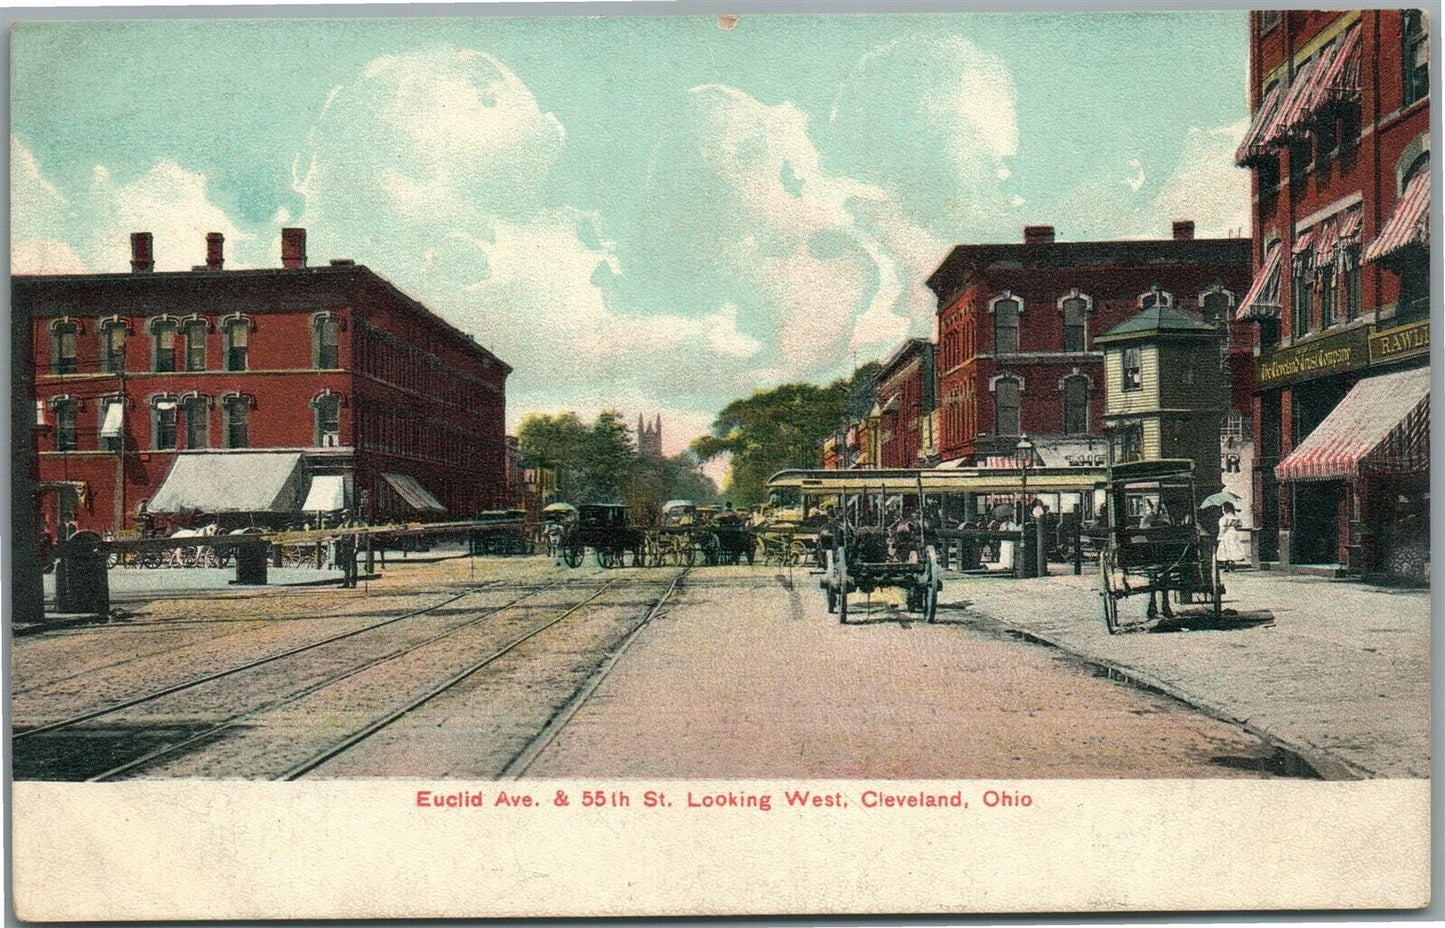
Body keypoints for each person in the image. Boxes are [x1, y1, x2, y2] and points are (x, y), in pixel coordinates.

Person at [1215, 502, 1248, 571]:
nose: (1222, 510)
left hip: (1226, 534)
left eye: (1223, 508)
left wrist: (1220, 536)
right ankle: (1232, 563)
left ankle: (1227, 566)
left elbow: (1223, 528)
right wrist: (1233, 525)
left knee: (1226, 549)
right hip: (1233, 533)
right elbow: (1239, 526)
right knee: (1233, 547)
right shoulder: (1236, 517)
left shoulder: (1224, 518)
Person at [335, 513, 358, 588]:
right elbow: (336, 533)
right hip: (344, 546)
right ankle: (346, 582)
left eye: (344, 514)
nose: (343, 516)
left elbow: (357, 534)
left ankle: (353, 583)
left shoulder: (354, 524)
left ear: (348, 515)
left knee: (352, 565)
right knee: (346, 564)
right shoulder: (342, 525)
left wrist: (356, 546)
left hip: (351, 546)